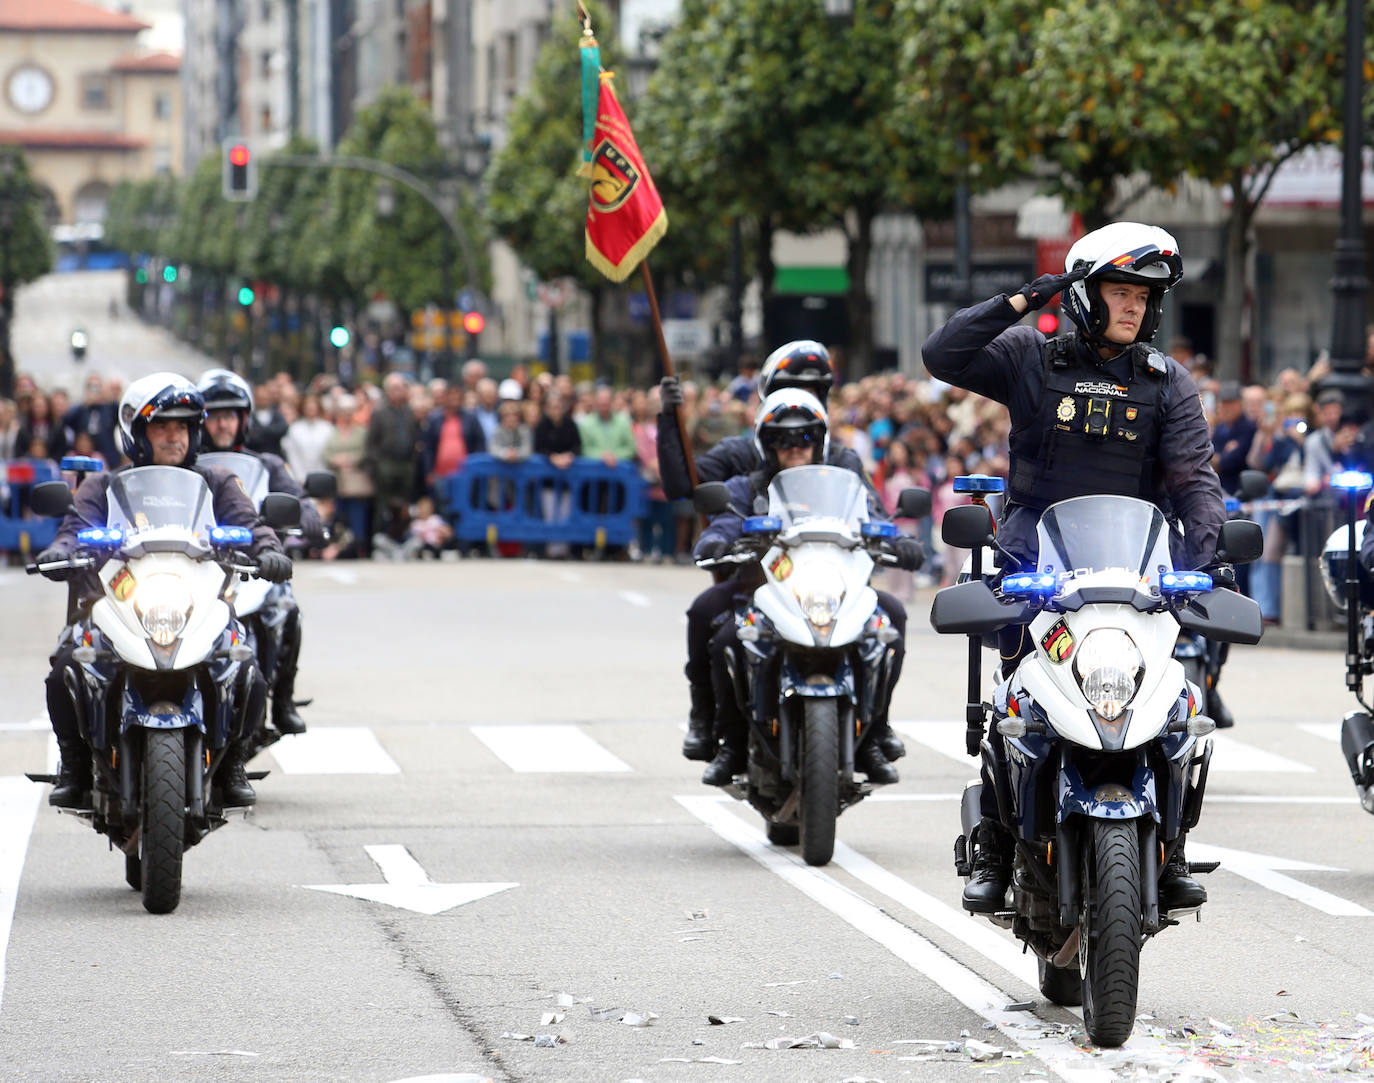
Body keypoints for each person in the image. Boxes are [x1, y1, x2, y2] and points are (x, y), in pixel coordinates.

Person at [921, 221, 1224, 915]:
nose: (1135, 307)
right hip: (1038, 560)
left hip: (1132, 565)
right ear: (1085, 293)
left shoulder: (1165, 380)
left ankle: (1169, 847)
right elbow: (942, 353)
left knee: (1173, 699)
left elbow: (1195, 482)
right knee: (1016, 702)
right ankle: (997, 838)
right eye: (1121, 292)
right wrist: (1020, 302)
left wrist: (1205, 562)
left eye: (1145, 297)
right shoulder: (1033, 356)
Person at [35, 374, 292, 809]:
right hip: (119, 599)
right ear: (137, 433)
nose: (175, 437)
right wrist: (60, 551)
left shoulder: (218, 482)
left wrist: (269, 550)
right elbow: (75, 530)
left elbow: (252, 524)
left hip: (194, 599)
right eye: (162, 427)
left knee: (245, 663)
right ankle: (75, 763)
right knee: (67, 663)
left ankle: (232, 763)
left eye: (184, 427)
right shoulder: (103, 487)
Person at [658, 342, 911, 774]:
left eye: (805, 434)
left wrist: (900, 541)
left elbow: (874, 513)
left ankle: (875, 730)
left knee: (892, 618)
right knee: (712, 624)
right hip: (763, 584)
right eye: (782, 437)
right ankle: (722, 736)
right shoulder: (743, 472)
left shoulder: (845, 463)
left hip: (833, 584)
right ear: (764, 435)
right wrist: (669, 420)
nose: (795, 444)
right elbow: (709, 504)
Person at [198, 368, 324, 737]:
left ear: (244, 420)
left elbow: (296, 495)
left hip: (257, 564)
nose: (222, 424)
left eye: (230, 416)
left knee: (286, 609)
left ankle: (282, 699)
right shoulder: (185, 467)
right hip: (202, 563)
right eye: (214, 416)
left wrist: (309, 515)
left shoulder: (267, 464)